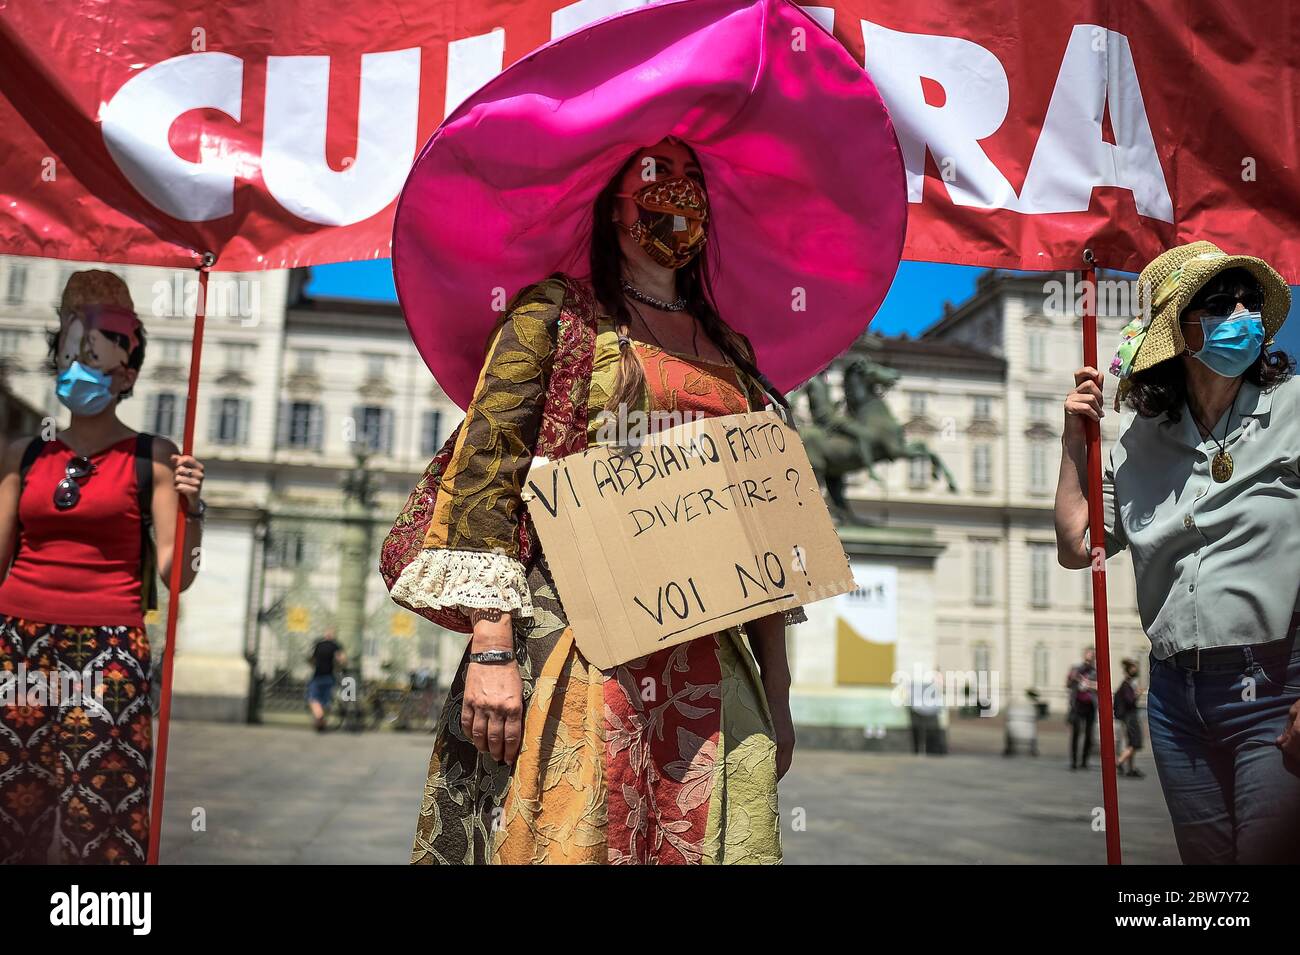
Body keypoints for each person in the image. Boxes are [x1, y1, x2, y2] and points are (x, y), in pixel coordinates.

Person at [382, 1, 904, 864]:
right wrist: (490, 651)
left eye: (692, 183)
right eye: (657, 179)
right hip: (578, 652)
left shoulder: (731, 351)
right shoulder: (553, 317)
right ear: (615, 205)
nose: (678, 198)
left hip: (712, 662)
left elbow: (759, 521)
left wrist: (776, 684)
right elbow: (486, 477)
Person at [1055, 240, 1300, 863]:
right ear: (1179, 332)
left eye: (1249, 300)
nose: (1242, 312)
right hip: (1174, 696)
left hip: (1275, 682)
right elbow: (1077, 545)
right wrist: (1071, 442)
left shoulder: (1294, 406)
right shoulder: (1141, 442)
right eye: (1220, 303)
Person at [0, 270, 206, 865]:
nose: (78, 366)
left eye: (93, 353)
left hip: (109, 648)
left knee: (107, 814)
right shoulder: (25, 454)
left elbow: (176, 574)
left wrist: (197, 510)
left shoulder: (156, 457)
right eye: (69, 351)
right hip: (18, 641)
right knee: (13, 803)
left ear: (127, 370)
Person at [306, 628, 345, 732]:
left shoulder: (319, 645)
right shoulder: (336, 645)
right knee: (325, 701)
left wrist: (314, 664)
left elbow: (312, 659)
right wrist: (339, 667)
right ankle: (321, 720)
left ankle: (320, 719)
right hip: (329, 676)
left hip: (318, 675)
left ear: (325, 635)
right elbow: (342, 659)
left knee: (313, 699)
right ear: (333, 635)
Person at [1066, 647, 1099, 770]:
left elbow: (1101, 686)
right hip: (1077, 705)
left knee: (1089, 734)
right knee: (1076, 733)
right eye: (1088, 656)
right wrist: (1073, 678)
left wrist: (1089, 684)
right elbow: (1068, 684)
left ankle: (1085, 761)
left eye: (1092, 657)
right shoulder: (1076, 669)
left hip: (1090, 705)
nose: (1089, 659)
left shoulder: (1095, 672)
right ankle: (1074, 761)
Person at [1113, 658, 1145, 778]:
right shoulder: (1126, 685)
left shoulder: (1127, 684)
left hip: (1129, 716)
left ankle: (1131, 768)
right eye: (1133, 668)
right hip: (1130, 717)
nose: (1135, 670)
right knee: (1135, 743)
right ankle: (1119, 762)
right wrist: (1138, 694)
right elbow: (1130, 701)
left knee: (1131, 742)